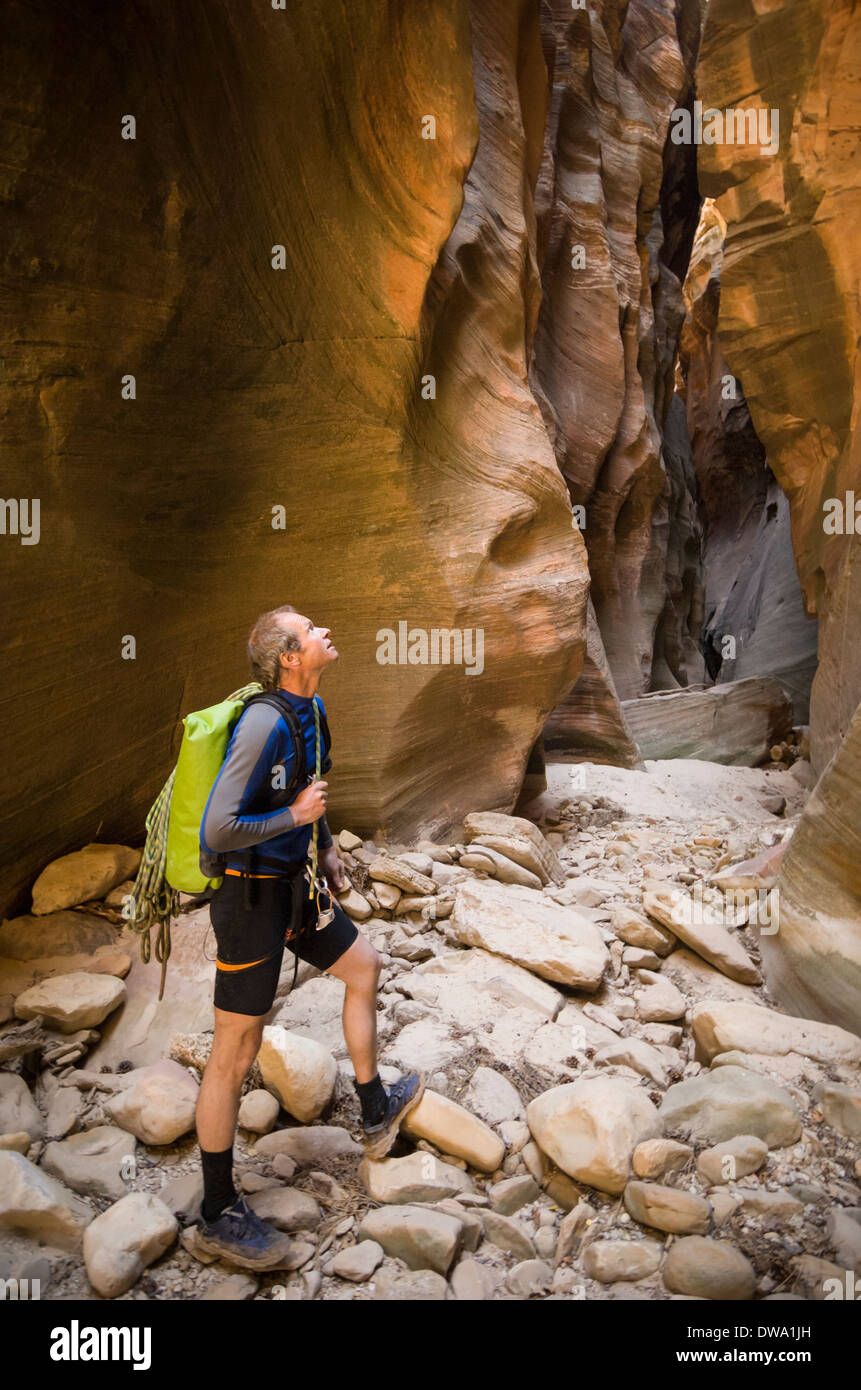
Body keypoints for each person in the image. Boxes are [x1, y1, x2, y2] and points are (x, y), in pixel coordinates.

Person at [193, 604, 424, 1268]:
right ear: (291, 656)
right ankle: (216, 1210)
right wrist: (292, 816)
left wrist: (320, 846)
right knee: (233, 1052)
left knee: (364, 968)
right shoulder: (263, 721)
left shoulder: (312, 714)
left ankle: (375, 1109)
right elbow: (218, 827)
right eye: (312, 628)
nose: (326, 631)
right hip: (249, 898)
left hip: (296, 885)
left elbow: (308, 789)